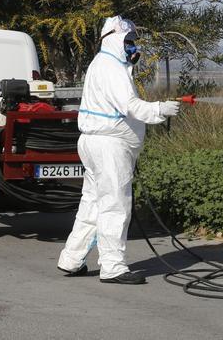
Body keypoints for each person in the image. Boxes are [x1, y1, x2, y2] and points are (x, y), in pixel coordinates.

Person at [57, 16, 180, 284]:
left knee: (92, 203)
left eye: (134, 42)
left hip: (96, 143)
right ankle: (112, 267)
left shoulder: (103, 65)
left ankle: (71, 259)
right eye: (128, 42)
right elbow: (130, 106)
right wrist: (160, 109)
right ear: (113, 40)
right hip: (109, 146)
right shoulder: (111, 67)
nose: (133, 48)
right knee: (115, 205)